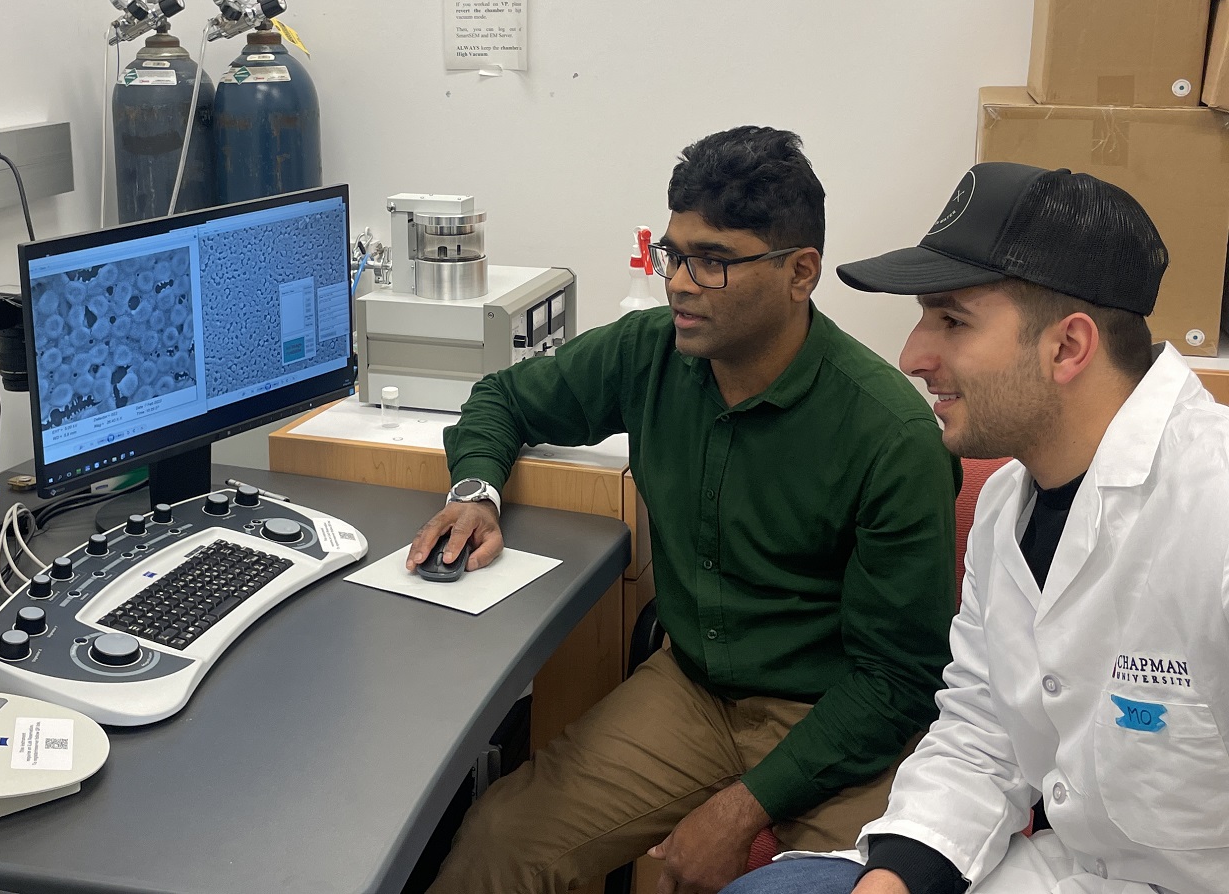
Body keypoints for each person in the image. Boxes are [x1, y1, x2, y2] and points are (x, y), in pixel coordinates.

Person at [415, 126, 961, 894]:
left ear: (800, 272)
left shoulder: (889, 434)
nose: (679, 283)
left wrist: (741, 811)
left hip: (840, 720)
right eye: (675, 254)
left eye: (714, 261)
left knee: (833, 888)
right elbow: (502, 398)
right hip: (694, 689)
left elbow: (900, 679)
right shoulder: (653, 351)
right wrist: (476, 492)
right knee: (501, 844)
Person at [726, 162, 1229, 894]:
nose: (911, 357)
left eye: (952, 320)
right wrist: (896, 880)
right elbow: (982, 727)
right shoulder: (1008, 504)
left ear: (1067, 347)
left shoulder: (1211, 514)